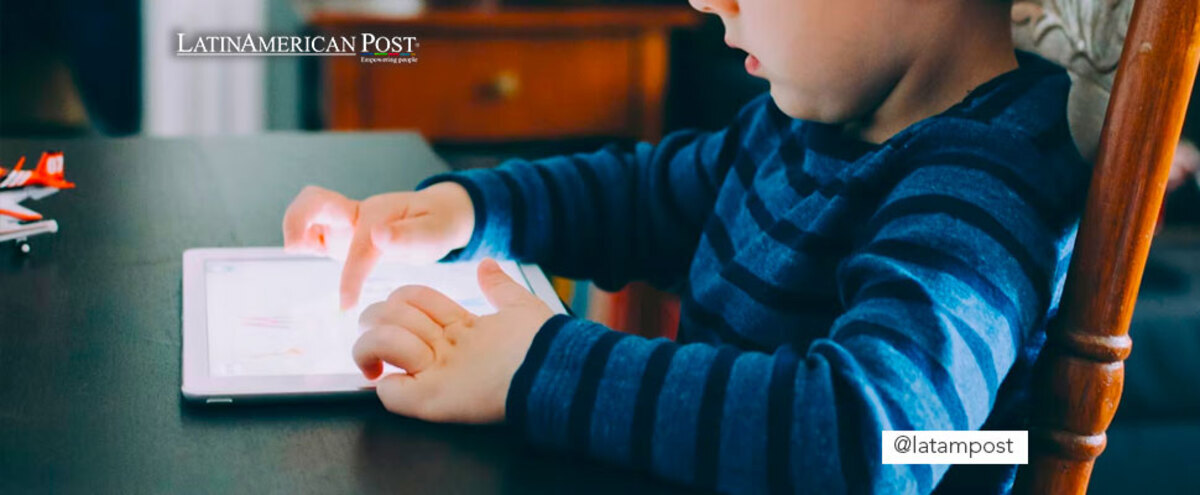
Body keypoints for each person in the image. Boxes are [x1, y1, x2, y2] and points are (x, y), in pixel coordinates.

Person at [281, 0, 1091, 492]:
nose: (708, 1)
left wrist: (540, 364)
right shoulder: (805, 124)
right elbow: (640, 197)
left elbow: (876, 441)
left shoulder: (989, 181)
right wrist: (465, 210)